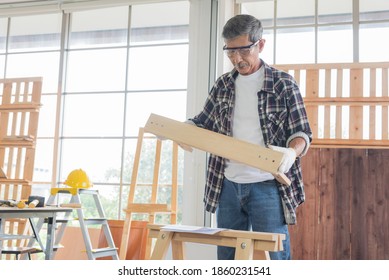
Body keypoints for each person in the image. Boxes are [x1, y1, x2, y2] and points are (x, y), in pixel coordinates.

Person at [186, 14, 312, 260]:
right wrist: (182, 129)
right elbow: (203, 123)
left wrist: (291, 152)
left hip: (267, 184)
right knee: (228, 258)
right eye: (230, 52)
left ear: (260, 45)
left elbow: (302, 132)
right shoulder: (222, 85)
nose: (237, 59)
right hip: (228, 186)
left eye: (243, 50)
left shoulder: (283, 85)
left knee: (274, 257)